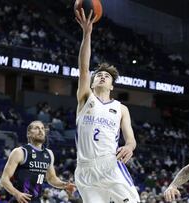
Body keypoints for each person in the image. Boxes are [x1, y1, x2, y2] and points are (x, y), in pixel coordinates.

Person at [74, 8, 140, 203]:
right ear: (92, 83)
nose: (102, 76)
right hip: (85, 169)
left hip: (110, 165)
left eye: (107, 76)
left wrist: (129, 147)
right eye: (99, 75)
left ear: (112, 86)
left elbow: (131, 139)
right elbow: (84, 68)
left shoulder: (121, 108)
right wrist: (87, 33)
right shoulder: (86, 98)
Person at [1, 120, 73, 203]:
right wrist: (17, 194)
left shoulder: (49, 153)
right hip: (20, 199)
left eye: (42, 128)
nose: (41, 130)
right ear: (29, 133)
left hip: (36, 200)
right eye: (37, 128)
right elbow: (4, 179)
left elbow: (51, 178)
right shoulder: (20, 152)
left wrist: (64, 185)